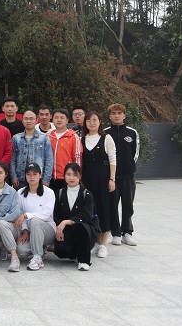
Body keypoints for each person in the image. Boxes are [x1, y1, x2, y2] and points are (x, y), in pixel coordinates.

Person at [81, 111, 116, 258]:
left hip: (103, 178)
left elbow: (113, 159)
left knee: (104, 208)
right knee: (91, 209)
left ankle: (104, 244)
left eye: (94, 120)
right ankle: (95, 241)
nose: (92, 123)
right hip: (87, 179)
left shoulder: (106, 138)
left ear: (100, 122)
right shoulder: (82, 139)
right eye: (89, 120)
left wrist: (112, 179)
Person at [105, 103, 139, 247]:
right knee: (112, 205)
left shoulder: (132, 133)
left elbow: (136, 153)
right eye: (113, 113)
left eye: (119, 113)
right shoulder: (105, 133)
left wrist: (129, 167)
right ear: (109, 116)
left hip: (128, 176)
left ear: (124, 115)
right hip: (111, 177)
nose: (116, 116)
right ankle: (116, 233)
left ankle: (127, 233)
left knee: (128, 205)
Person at [53, 163, 99, 271]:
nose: (71, 178)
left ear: (80, 176)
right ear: (64, 176)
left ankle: (84, 261)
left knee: (80, 227)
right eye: (68, 174)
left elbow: (86, 216)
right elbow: (56, 214)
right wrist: (59, 226)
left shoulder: (86, 194)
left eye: (75, 175)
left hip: (85, 230)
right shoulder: (59, 193)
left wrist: (66, 222)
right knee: (60, 250)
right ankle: (75, 254)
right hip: (67, 230)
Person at [14, 163, 56, 271]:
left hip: (47, 230)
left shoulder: (49, 192)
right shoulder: (20, 193)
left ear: (40, 175)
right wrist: (25, 230)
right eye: (28, 174)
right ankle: (41, 248)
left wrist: (26, 215)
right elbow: (20, 213)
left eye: (34, 174)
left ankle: (37, 257)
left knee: (35, 220)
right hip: (30, 231)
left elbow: (46, 214)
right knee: (21, 249)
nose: (31, 177)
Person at [10, 110, 53, 189]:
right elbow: (12, 159)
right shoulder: (16, 138)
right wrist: (13, 176)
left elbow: (49, 159)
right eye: (26, 119)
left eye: (31, 119)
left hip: (38, 178)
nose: (28, 121)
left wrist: (46, 179)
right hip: (20, 179)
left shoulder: (44, 138)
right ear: (22, 120)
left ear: (36, 120)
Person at [46, 108, 82, 192]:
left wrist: (76, 175)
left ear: (67, 120)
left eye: (62, 118)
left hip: (67, 178)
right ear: (52, 119)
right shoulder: (48, 136)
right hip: (49, 178)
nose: (59, 120)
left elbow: (77, 157)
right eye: (56, 117)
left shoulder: (73, 136)